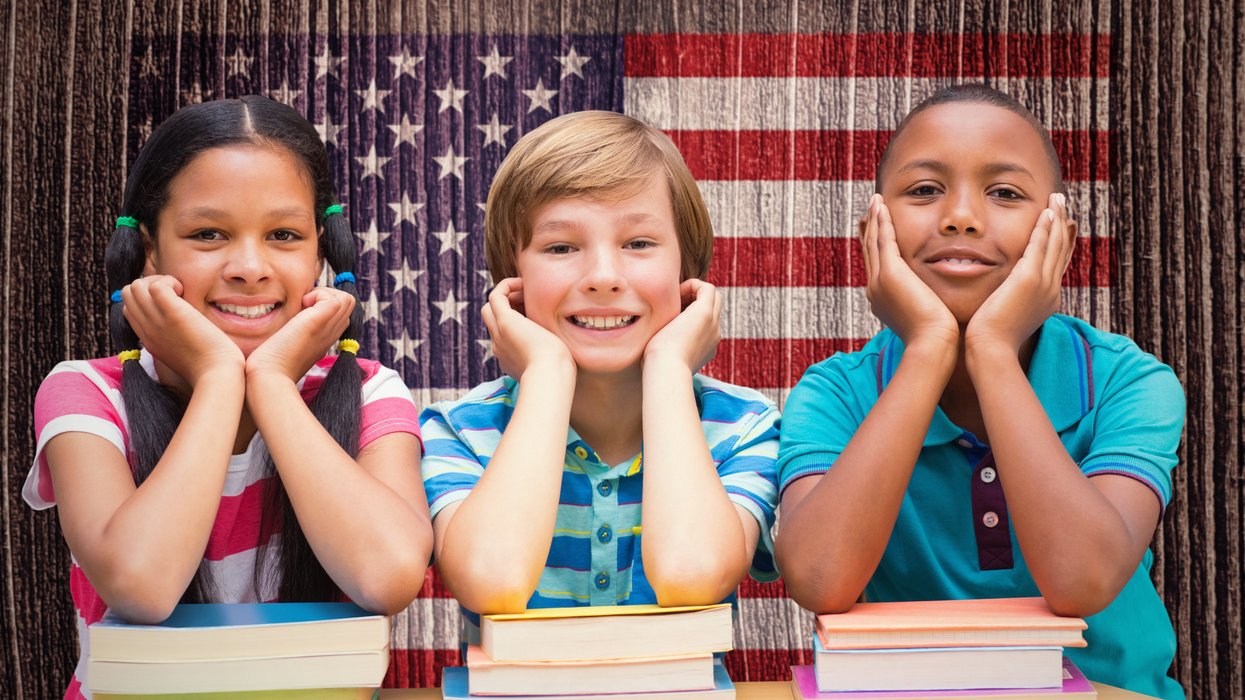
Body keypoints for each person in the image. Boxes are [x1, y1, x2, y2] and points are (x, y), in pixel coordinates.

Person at [774, 85, 1184, 699]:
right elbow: (819, 579)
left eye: (1005, 193)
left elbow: (1082, 581)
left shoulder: (1130, 382)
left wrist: (991, 349)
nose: (960, 216)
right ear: (873, 233)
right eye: (924, 190)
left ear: (1062, 239)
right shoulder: (834, 393)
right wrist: (928, 349)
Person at [23, 96, 433, 699]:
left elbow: (390, 575)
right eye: (208, 234)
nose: (249, 266)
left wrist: (269, 383)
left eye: (283, 235)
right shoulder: (84, 391)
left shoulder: (370, 389)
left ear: (321, 253)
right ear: (150, 253)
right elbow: (142, 584)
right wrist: (219, 376)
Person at [420, 111, 780, 644]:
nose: (604, 278)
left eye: (638, 243)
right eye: (561, 247)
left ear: (687, 273)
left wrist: (668, 366)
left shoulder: (744, 427)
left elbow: (691, 576)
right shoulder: (459, 431)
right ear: (511, 282)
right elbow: (491, 582)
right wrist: (545, 373)